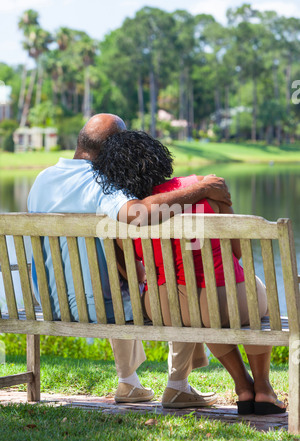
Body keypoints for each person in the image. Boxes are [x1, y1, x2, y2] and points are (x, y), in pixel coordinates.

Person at [27, 113, 231, 407]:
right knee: (177, 288)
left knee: (116, 281)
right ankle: (177, 385)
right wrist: (201, 188)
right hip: (96, 307)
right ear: (114, 147)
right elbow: (138, 213)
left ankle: (129, 383)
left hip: (48, 303)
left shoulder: (42, 179)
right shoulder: (99, 183)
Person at [92, 129, 286, 415]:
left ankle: (243, 386)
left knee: (198, 310)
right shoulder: (207, 187)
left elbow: (132, 269)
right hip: (223, 299)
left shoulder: (124, 212)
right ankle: (264, 389)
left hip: (164, 308)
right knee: (255, 300)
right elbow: (236, 252)